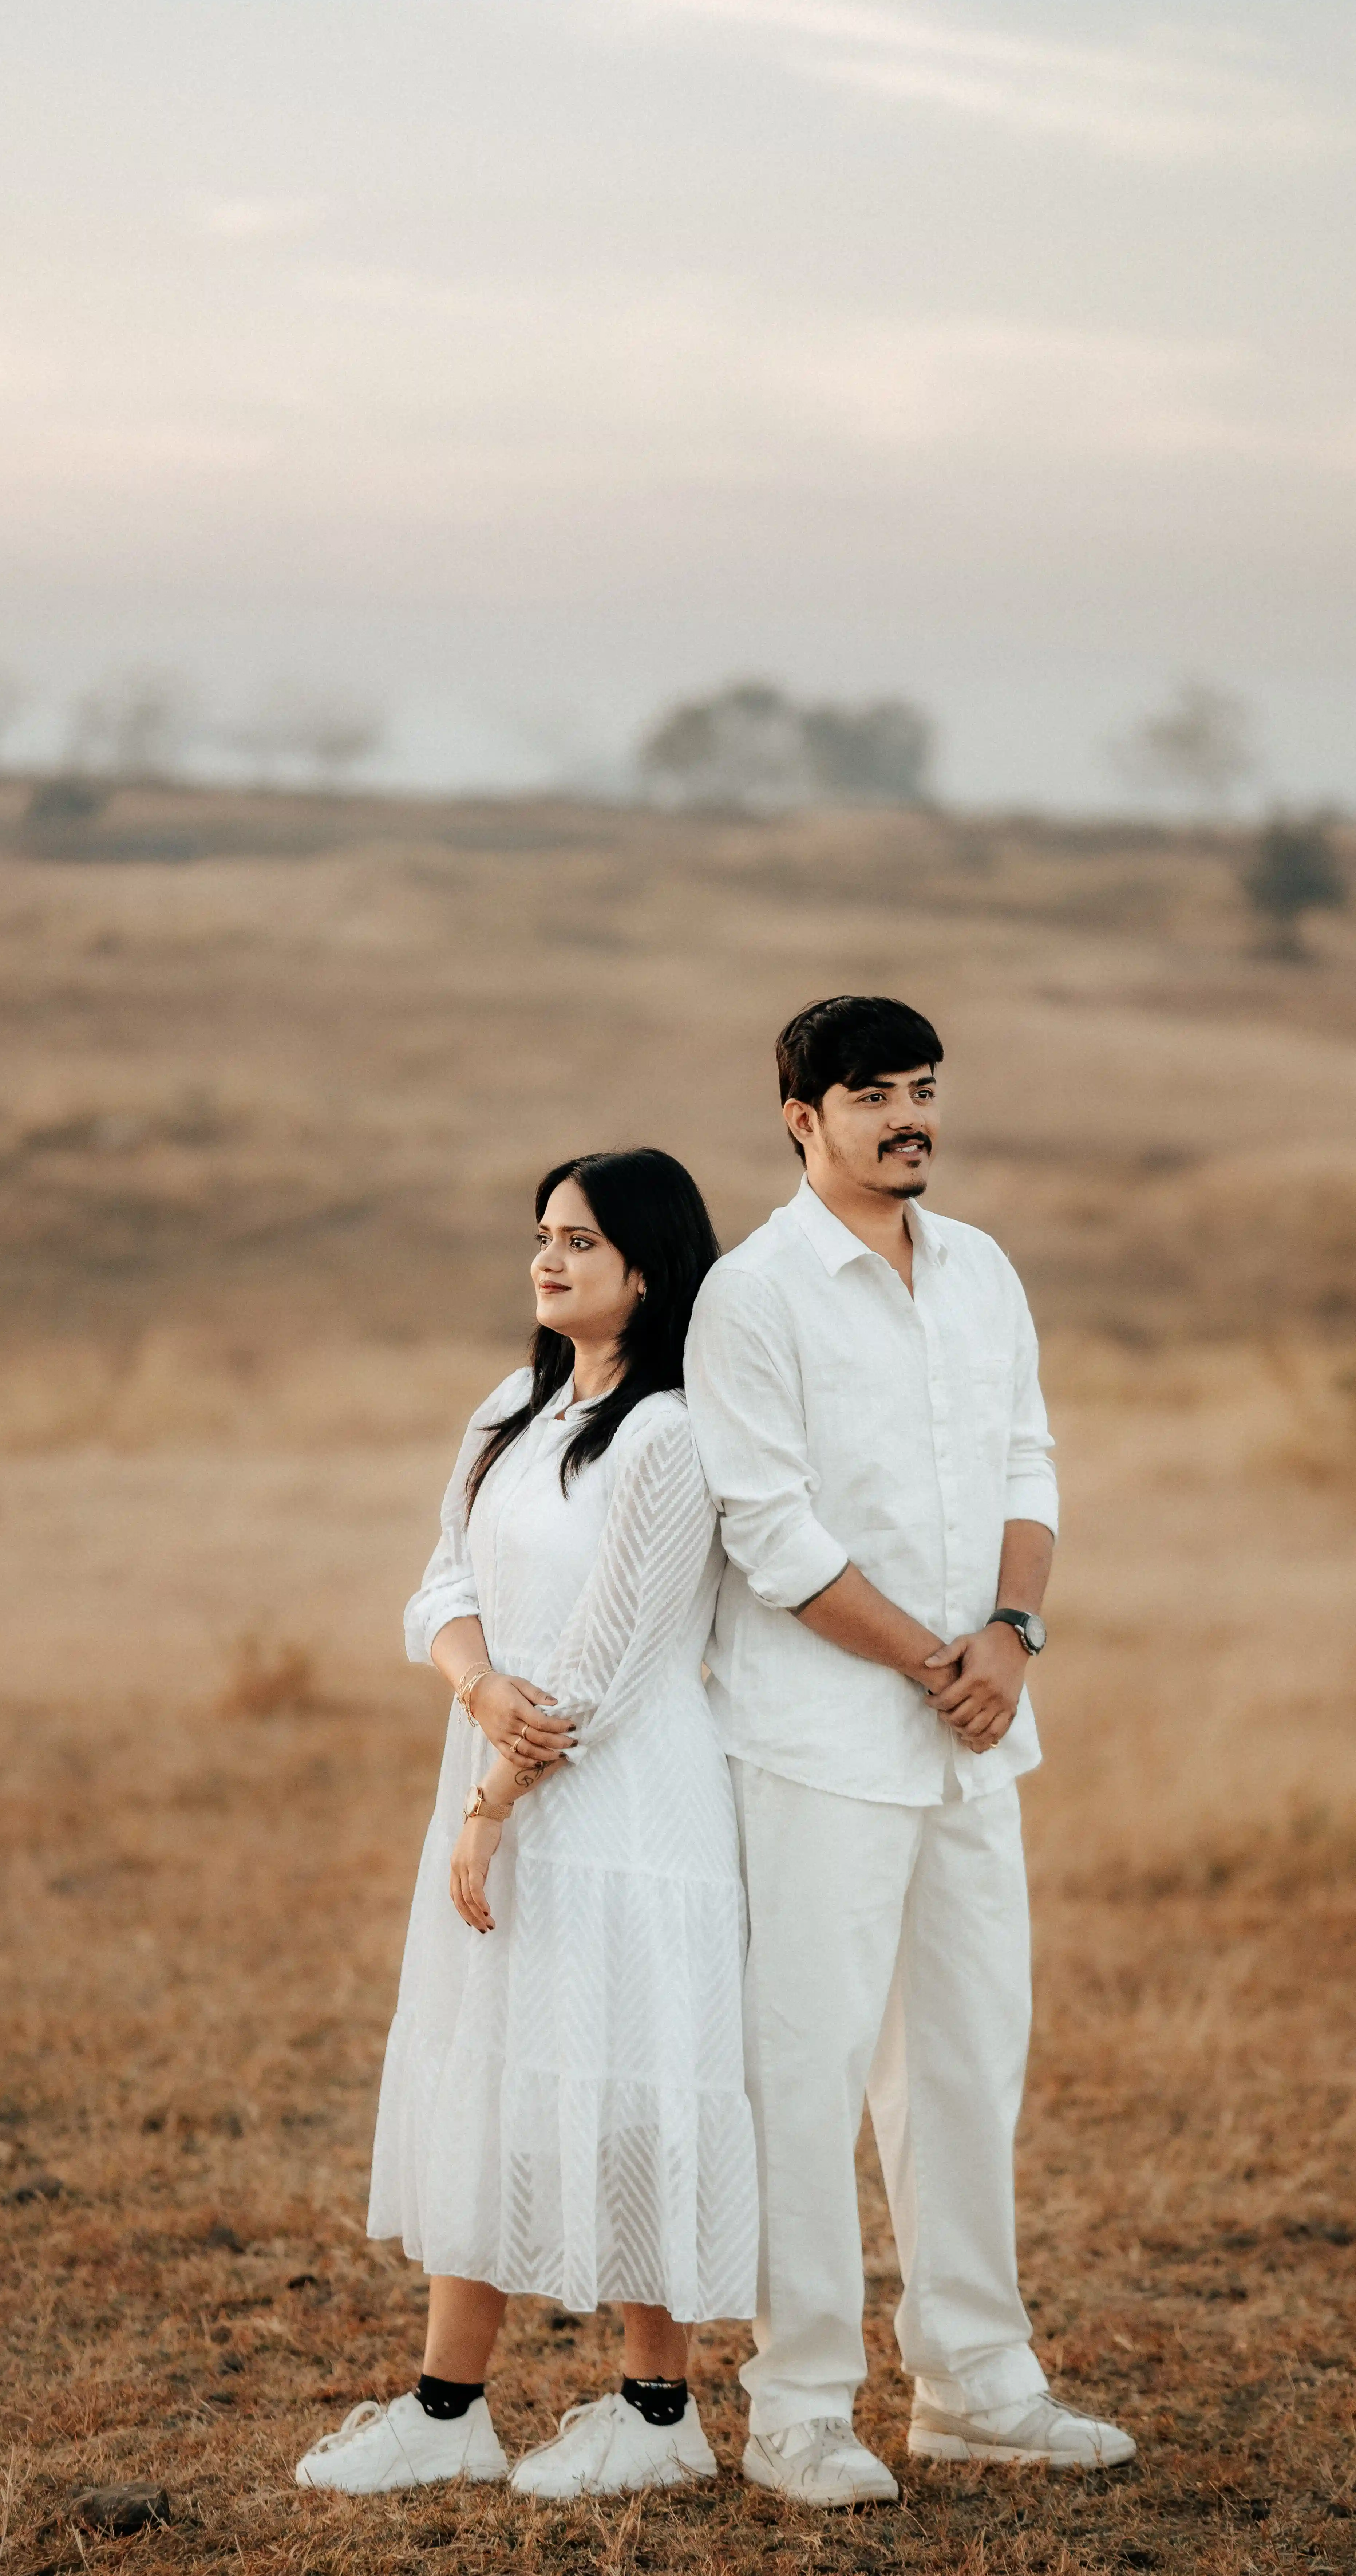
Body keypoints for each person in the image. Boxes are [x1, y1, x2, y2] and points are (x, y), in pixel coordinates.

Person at [684, 995, 1136, 2508]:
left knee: (962, 2059)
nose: (908, 1115)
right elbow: (768, 1527)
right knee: (805, 2071)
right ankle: (803, 2407)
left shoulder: (982, 1268)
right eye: (873, 1093)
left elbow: (1028, 1454)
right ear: (802, 1117)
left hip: (976, 1736)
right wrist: (929, 1658)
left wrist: (1010, 1632)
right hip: (821, 1739)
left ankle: (977, 2384)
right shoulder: (755, 1293)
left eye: (924, 1088)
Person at [296, 1148, 758, 2499]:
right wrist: (480, 1689)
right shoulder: (512, 1405)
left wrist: (494, 1804)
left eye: (582, 1241)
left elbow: (611, 1665)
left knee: (626, 2088)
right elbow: (440, 1579)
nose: (548, 1260)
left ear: (649, 1270)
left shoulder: (671, 1433)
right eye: (542, 1235)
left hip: (621, 1808)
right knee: (492, 2076)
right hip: (494, 1765)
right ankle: (449, 2411)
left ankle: (658, 2412)